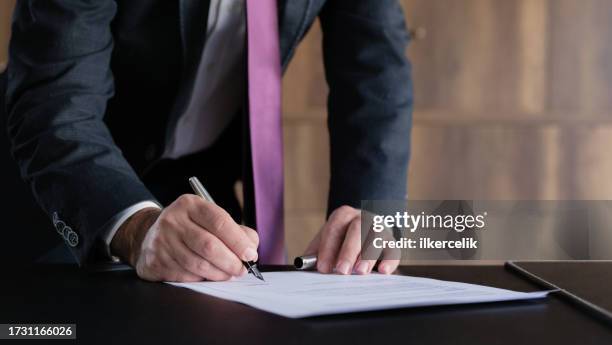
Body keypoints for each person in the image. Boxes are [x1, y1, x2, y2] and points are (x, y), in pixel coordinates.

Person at [5, 0, 412, 282]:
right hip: (64, 189)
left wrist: (368, 216)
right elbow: (57, 101)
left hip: (200, 190)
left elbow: (377, 75)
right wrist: (136, 226)